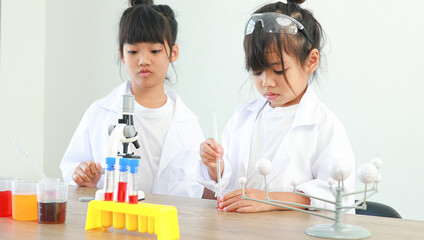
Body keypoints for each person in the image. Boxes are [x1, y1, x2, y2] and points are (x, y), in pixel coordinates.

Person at [200, 0, 355, 212]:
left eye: (278, 70)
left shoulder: (324, 125)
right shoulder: (243, 117)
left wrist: (269, 199)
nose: (266, 82)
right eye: (256, 71)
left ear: (311, 61)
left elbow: (337, 196)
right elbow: (227, 181)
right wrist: (214, 165)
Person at [60, 0, 204, 198]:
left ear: (173, 52)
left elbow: (198, 187)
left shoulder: (187, 124)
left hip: (165, 225)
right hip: (112, 222)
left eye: (154, 51)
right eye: (133, 51)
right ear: (121, 54)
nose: (143, 60)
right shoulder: (100, 113)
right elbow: (72, 170)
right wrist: (85, 179)